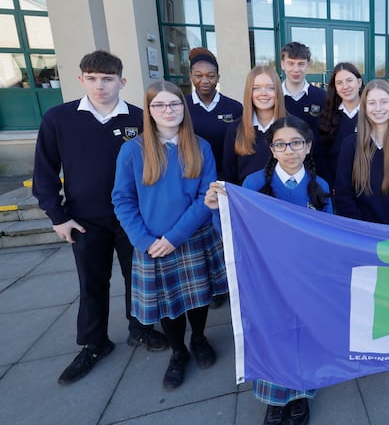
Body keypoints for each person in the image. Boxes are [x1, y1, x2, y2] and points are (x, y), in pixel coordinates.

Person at [32, 50, 167, 386]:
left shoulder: (139, 119)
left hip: (132, 218)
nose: (100, 86)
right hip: (84, 219)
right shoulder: (59, 119)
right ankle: (94, 344)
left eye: (107, 79)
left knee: (138, 279)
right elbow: (44, 172)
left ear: (121, 81)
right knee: (92, 283)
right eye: (91, 78)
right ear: (80, 80)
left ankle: (140, 329)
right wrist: (57, 216)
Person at [205, 115, 331, 425]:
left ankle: (301, 394)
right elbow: (232, 229)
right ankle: (275, 400)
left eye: (297, 143)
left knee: (303, 335)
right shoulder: (253, 184)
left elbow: (331, 235)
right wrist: (216, 209)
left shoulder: (320, 186)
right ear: (271, 149)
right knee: (270, 335)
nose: (289, 151)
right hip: (266, 278)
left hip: (305, 278)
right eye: (281, 144)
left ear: (308, 146)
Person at [112, 81, 227, 391]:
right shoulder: (132, 151)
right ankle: (178, 352)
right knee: (169, 303)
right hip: (152, 243)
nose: (168, 110)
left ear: (183, 108)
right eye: (159, 105)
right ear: (149, 111)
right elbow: (122, 200)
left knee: (198, 297)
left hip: (192, 236)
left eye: (174, 104)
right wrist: (144, 241)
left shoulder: (200, 146)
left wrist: (176, 236)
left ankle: (200, 338)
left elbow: (208, 194)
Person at [335, 79, 389, 226]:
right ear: (364, 106)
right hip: (361, 234)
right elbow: (343, 195)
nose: (378, 108)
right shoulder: (350, 145)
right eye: (371, 103)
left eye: (384, 102)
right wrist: (362, 230)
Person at [221, 66, 286, 184]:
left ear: (278, 91)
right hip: (246, 198)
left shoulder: (293, 126)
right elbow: (228, 176)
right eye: (256, 88)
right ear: (249, 92)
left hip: (283, 199)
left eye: (270, 88)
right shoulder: (235, 129)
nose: (263, 93)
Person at [185, 47, 243, 178]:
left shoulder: (235, 108)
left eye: (211, 76)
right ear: (191, 76)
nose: (205, 81)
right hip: (192, 174)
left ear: (218, 78)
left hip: (227, 175)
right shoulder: (181, 106)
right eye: (198, 76)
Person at [316, 62, 363, 185]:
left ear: (359, 82)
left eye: (349, 80)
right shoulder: (326, 117)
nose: (345, 86)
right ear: (335, 87)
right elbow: (321, 157)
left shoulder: (373, 113)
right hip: (338, 187)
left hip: (370, 187)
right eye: (339, 83)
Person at [280, 42, 327, 134]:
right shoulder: (273, 97)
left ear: (307, 66)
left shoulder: (322, 97)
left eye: (301, 64)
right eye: (290, 63)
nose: (296, 69)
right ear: (282, 64)